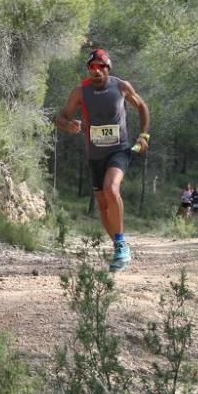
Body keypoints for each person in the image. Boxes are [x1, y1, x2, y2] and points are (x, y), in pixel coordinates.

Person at [55, 48, 150, 272]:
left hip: (119, 150)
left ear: (108, 68)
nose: (95, 71)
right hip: (95, 155)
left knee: (111, 188)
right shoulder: (80, 92)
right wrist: (67, 125)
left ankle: (120, 247)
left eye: (100, 67)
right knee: (103, 205)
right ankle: (120, 246)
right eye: (92, 67)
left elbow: (142, 107)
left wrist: (144, 135)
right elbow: (61, 117)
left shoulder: (121, 86)